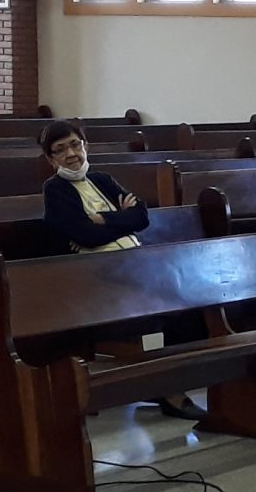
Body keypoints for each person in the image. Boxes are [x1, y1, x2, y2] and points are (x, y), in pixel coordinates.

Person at [38, 119, 202, 424]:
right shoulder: (56, 190)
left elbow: (141, 217)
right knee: (167, 308)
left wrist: (104, 220)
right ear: (51, 159)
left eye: (75, 144)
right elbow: (85, 236)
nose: (71, 154)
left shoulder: (102, 180)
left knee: (191, 303)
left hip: (134, 266)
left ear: (85, 146)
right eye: (60, 150)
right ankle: (168, 389)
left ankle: (166, 382)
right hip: (96, 278)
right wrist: (120, 219)